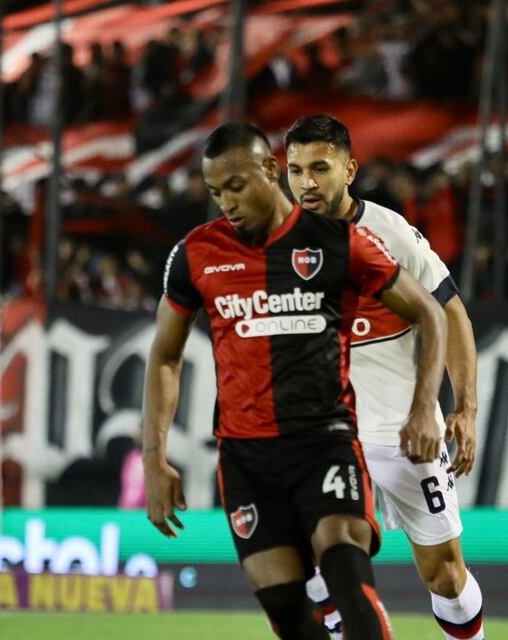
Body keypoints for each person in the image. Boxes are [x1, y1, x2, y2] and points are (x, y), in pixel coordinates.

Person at [142, 123, 448, 640]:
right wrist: (154, 456)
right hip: (246, 459)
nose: (227, 204)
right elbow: (165, 356)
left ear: (269, 169)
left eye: (236, 186)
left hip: (324, 444)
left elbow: (430, 313)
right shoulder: (195, 255)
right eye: (216, 193)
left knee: (347, 577)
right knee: (289, 613)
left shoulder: (337, 242)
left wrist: (424, 408)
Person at [285, 115, 485, 640]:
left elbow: (452, 314)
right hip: (325, 438)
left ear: (349, 170)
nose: (307, 182)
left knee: (444, 577)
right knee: (311, 568)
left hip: (404, 433)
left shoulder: (390, 233)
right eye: (296, 169)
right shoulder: (276, 247)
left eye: (320, 168)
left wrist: (463, 407)